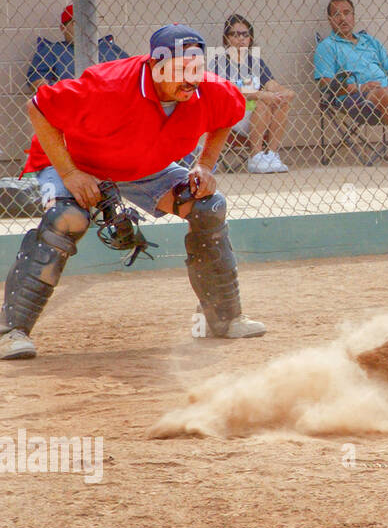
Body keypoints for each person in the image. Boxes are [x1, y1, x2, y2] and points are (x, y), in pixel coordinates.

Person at [0, 24, 266, 360]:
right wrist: (69, 173)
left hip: (145, 165)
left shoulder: (208, 90)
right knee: (66, 219)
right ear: (155, 67)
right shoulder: (108, 85)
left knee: (207, 207)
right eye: (180, 70)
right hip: (78, 159)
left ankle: (225, 318)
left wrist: (205, 165)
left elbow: (227, 113)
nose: (191, 79)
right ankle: (11, 331)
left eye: (196, 69)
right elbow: (38, 106)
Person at [313, 0, 388, 166]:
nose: (343, 18)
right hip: (356, 97)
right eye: (337, 14)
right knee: (386, 95)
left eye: (347, 13)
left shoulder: (370, 42)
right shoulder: (326, 46)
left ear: (354, 16)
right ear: (330, 20)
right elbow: (325, 84)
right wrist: (361, 87)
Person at [208, 14, 296, 174]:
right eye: (235, 34)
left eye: (245, 34)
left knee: (281, 102)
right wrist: (261, 95)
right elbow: (231, 90)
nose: (240, 39)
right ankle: (255, 157)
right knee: (262, 102)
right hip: (232, 117)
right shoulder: (219, 62)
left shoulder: (255, 62)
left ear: (250, 39)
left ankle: (271, 155)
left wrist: (285, 93)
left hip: (258, 116)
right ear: (226, 39)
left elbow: (272, 84)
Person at [25, 5, 129, 92]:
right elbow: (36, 80)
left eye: (87, 23)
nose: (82, 28)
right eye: (75, 23)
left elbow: (131, 74)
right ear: (63, 28)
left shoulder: (106, 48)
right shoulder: (52, 51)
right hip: (71, 105)